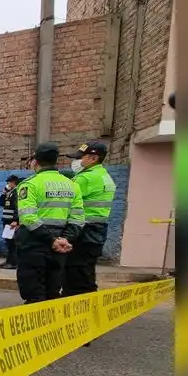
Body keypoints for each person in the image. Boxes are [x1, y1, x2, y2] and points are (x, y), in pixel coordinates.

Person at [15, 142, 85, 304]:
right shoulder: (72, 185)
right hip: (60, 245)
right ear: (56, 161)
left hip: (35, 243)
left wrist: (51, 240)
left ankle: (35, 328)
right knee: (52, 291)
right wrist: (64, 239)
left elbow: (28, 218)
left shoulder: (30, 184)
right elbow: (78, 218)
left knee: (33, 291)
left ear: (35, 161)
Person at [62, 141, 116, 345]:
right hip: (96, 232)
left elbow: (68, 199)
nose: (77, 161)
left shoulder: (86, 178)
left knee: (74, 279)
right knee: (86, 279)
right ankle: (88, 326)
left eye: (81, 157)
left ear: (93, 158)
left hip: (83, 232)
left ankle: (78, 329)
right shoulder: (104, 176)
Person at [0, 175, 21, 269]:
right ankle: (8, 261)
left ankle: (13, 263)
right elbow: (2, 204)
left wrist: (15, 220)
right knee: (8, 242)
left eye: (9, 182)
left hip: (11, 221)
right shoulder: (9, 193)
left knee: (12, 243)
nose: (8, 184)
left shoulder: (16, 192)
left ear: (14, 182)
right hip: (6, 220)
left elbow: (17, 207)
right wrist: (3, 194)